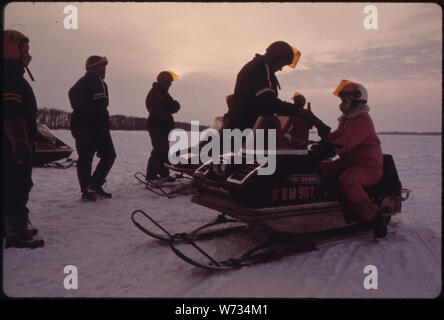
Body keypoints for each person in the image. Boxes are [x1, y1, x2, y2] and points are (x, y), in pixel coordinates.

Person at [319, 80, 386, 239]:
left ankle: (375, 219)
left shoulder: (362, 119)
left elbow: (347, 141)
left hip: (368, 166)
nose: (341, 104)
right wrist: (323, 137)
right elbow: (337, 135)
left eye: (344, 100)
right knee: (319, 167)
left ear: (357, 100)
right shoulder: (347, 120)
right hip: (349, 162)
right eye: (341, 101)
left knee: (347, 181)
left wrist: (331, 148)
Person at [2, 29, 44, 248]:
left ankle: (8, 226)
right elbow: (10, 112)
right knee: (18, 185)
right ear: (12, 51)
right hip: (11, 146)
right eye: (25, 50)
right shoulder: (10, 77)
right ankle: (16, 233)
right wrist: (20, 143)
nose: (28, 54)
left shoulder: (11, 74)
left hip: (8, 145)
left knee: (10, 184)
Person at [223, 41, 302, 132]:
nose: (280, 69)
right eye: (282, 64)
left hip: (241, 127)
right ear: (276, 58)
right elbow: (269, 104)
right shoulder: (261, 69)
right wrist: (297, 111)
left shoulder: (258, 66)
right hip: (245, 129)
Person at [68, 55, 116, 201]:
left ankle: (87, 189)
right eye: (103, 66)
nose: (105, 69)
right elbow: (100, 106)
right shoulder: (98, 82)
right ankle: (93, 185)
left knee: (85, 158)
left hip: (79, 125)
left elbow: (71, 94)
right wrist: (101, 123)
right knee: (109, 155)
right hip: (95, 126)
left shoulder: (80, 82)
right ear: (97, 67)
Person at [145, 70, 181, 181]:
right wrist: (174, 104)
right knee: (158, 150)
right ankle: (151, 175)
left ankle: (164, 173)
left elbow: (171, 107)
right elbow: (169, 106)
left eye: (170, 83)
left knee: (164, 150)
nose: (170, 85)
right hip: (158, 125)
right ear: (162, 82)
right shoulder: (157, 93)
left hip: (162, 125)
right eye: (168, 83)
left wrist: (173, 105)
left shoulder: (162, 92)